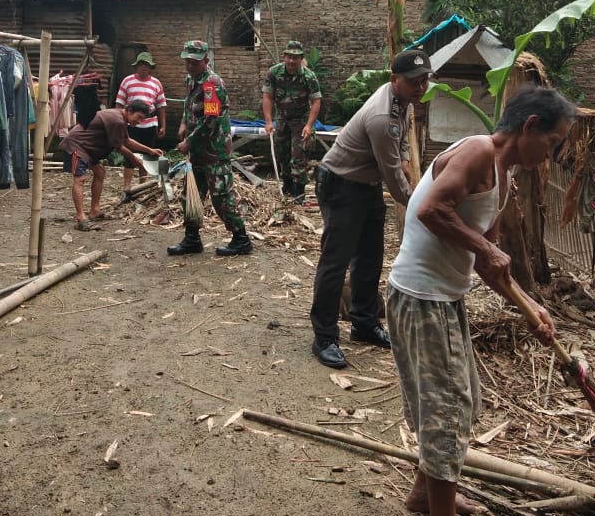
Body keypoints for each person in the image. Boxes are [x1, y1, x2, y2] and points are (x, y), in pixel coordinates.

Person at [386, 84, 574, 516]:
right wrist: (486, 251)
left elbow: (487, 262)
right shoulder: (476, 151)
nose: (547, 157)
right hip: (421, 297)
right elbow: (432, 209)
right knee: (447, 410)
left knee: (460, 405)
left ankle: (421, 493)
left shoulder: (501, 175)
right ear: (530, 126)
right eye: (550, 143)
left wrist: (530, 306)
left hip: (443, 297)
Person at [309, 47, 432, 369]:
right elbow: (392, 174)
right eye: (414, 81)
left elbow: (402, 140)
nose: (421, 87)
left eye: (425, 80)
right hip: (341, 183)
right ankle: (324, 337)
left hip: (365, 185)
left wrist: (406, 159)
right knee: (335, 262)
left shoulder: (401, 101)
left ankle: (363, 323)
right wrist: (419, 205)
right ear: (395, 80)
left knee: (370, 257)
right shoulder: (382, 117)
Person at [166, 40, 253, 257]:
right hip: (197, 151)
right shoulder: (191, 80)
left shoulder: (212, 84)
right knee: (191, 194)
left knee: (221, 195)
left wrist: (188, 142)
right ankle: (192, 238)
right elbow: (190, 107)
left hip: (215, 151)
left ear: (206, 60)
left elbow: (210, 120)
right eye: (187, 61)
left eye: (194, 62)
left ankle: (241, 239)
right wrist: (183, 125)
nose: (190, 65)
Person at [58, 99, 163, 231]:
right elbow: (119, 146)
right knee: (79, 179)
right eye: (139, 117)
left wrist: (149, 150)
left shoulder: (120, 117)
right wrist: (135, 159)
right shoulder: (117, 120)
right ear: (129, 111)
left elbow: (126, 140)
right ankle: (81, 218)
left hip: (86, 149)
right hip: (75, 146)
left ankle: (95, 210)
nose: (139, 121)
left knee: (100, 172)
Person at [262, 40, 322, 203]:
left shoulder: (308, 77)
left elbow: (316, 101)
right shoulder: (274, 73)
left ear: (301, 58)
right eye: (288, 57)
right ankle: (287, 185)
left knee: (299, 154)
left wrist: (309, 125)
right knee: (282, 152)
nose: (291, 61)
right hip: (281, 118)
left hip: (301, 119)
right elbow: (267, 97)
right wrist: (268, 122)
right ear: (284, 57)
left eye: (295, 58)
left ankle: (299, 192)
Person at [115, 51, 167, 192]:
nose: (144, 68)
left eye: (147, 65)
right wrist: (119, 123)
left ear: (150, 68)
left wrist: (163, 125)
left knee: (148, 156)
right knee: (129, 155)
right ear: (136, 67)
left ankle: (141, 185)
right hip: (131, 125)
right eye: (141, 65)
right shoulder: (127, 81)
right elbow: (119, 104)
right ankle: (127, 186)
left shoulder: (156, 83)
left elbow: (161, 106)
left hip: (150, 125)